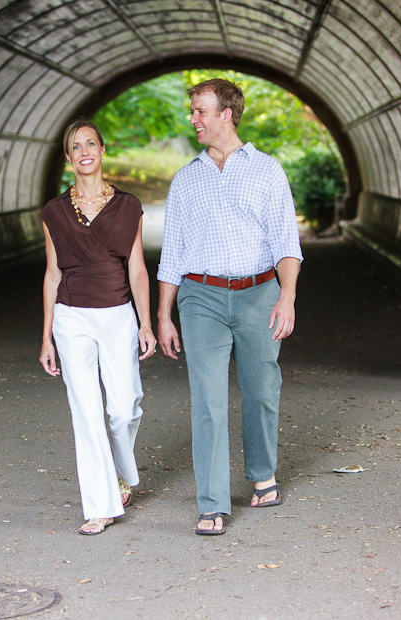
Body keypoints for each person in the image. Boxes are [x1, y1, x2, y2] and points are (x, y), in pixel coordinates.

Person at [156, 78, 303, 536]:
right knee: (208, 399)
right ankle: (212, 502)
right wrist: (163, 314)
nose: (193, 119)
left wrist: (287, 296)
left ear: (227, 114)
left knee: (262, 389)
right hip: (201, 297)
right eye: (193, 111)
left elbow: (286, 243)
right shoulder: (186, 179)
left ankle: (262, 476)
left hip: (259, 292)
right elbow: (173, 255)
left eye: (201, 111)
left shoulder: (267, 171)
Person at [39, 119, 156, 535]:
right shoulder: (53, 212)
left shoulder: (129, 206)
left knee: (123, 408)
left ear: (102, 151)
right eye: (75, 146)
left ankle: (124, 472)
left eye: (91, 143)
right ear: (68, 158)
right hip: (72, 316)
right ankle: (100, 506)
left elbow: (138, 269)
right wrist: (47, 335)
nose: (84, 150)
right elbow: (52, 274)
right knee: (85, 411)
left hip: (117, 313)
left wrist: (146, 323)